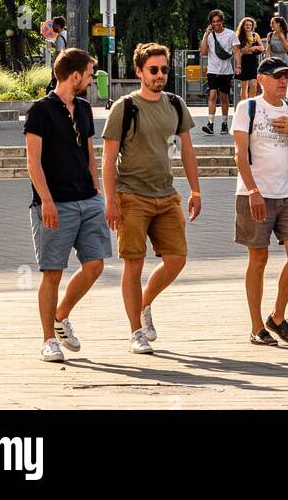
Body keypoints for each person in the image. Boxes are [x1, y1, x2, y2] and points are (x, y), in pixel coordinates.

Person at [102, 42, 201, 354]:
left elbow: (187, 150)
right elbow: (107, 159)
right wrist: (110, 201)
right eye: (153, 70)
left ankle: (143, 305)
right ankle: (135, 332)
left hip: (166, 194)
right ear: (139, 72)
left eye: (164, 69)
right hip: (131, 195)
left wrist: (195, 190)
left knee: (177, 259)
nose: (160, 75)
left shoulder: (175, 104)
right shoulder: (125, 107)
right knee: (134, 263)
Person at [23, 48, 112, 363]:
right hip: (54, 203)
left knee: (96, 264)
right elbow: (33, 161)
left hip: (87, 200)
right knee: (52, 273)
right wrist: (45, 200)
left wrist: (97, 191)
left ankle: (61, 316)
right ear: (75, 76)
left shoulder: (85, 108)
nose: (90, 79)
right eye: (89, 74)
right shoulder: (40, 111)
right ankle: (48, 339)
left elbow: (89, 152)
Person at [231, 56, 288, 345]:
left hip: (287, 192)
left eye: (286, 76)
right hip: (255, 193)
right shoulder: (247, 108)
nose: (283, 82)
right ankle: (255, 327)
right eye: (277, 77)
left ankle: (277, 316)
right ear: (261, 79)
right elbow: (239, 154)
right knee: (258, 258)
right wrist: (253, 191)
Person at [199, 9, 240, 135]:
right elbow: (203, 52)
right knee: (212, 95)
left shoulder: (230, 34)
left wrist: (238, 66)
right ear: (211, 23)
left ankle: (224, 123)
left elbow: (236, 51)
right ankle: (210, 123)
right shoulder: (209, 36)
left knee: (224, 98)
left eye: (218, 21)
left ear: (222, 21)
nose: (216, 24)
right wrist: (206, 34)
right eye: (213, 22)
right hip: (212, 70)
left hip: (226, 71)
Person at [236, 17, 264, 100]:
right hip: (243, 60)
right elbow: (236, 50)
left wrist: (254, 47)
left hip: (252, 60)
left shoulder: (255, 35)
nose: (248, 26)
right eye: (247, 25)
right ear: (243, 26)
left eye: (250, 25)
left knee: (254, 84)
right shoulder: (238, 36)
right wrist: (242, 51)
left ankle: (251, 104)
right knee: (244, 86)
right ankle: (244, 105)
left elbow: (262, 48)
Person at [46, 16, 68, 94]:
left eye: (54, 25)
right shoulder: (66, 34)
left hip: (61, 67)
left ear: (58, 25)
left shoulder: (60, 37)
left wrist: (54, 69)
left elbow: (59, 54)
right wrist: (55, 45)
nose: (52, 27)